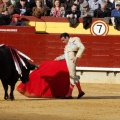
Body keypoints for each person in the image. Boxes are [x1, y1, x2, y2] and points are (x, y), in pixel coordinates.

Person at [55, 33, 85, 99]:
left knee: (72, 76)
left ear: (67, 37)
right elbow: (66, 55)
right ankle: (80, 92)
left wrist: (76, 57)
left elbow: (82, 47)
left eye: (63, 40)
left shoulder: (75, 40)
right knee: (73, 76)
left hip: (72, 61)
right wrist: (57, 58)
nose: (63, 42)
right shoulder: (67, 46)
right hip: (68, 62)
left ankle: (69, 94)